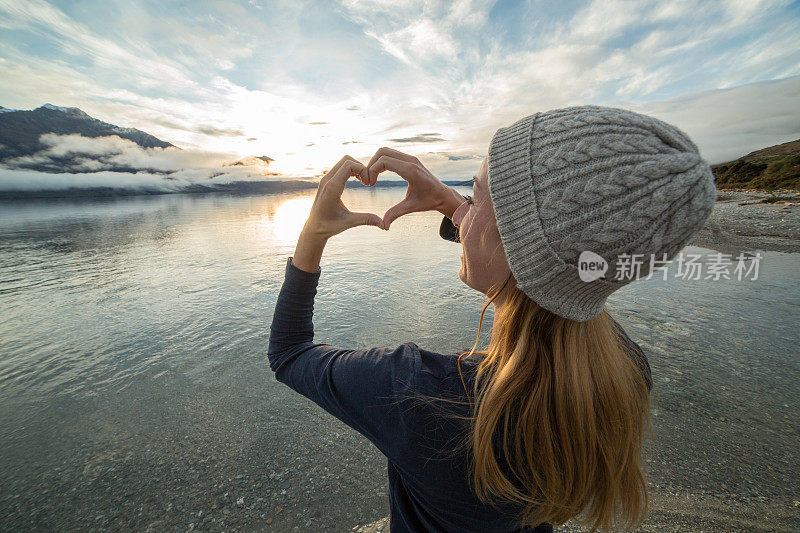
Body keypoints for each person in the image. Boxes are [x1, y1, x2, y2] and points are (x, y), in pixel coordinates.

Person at [268, 105, 717, 532]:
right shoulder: (624, 371)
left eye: (477, 196)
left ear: (518, 247)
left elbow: (288, 353)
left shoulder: (418, 395)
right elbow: (550, 270)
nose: (462, 210)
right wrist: (449, 201)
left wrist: (313, 231)